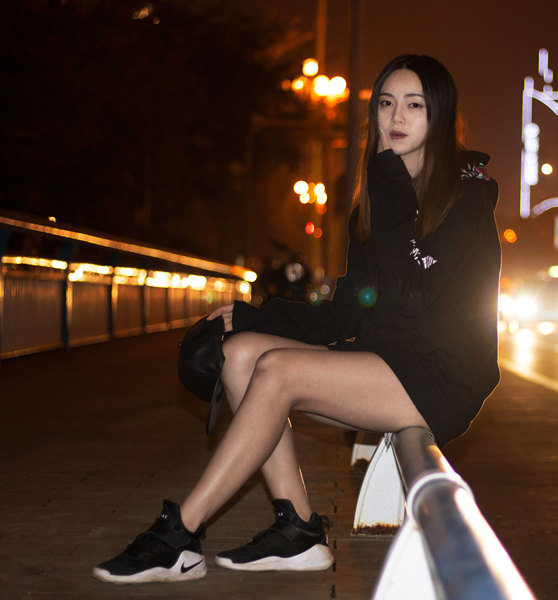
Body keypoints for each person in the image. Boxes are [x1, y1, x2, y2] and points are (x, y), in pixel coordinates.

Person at [93, 54, 501, 584]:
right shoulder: (375, 204)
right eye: (385, 103)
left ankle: (180, 535)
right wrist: (253, 318)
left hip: (442, 374)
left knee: (278, 371)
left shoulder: (465, 200)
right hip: (387, 358)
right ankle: (298, 530)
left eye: (414, 105)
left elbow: (412, 294)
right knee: (242, 355)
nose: (396, 117)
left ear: (438, 117)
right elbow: (349, 309)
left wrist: (388, 183)